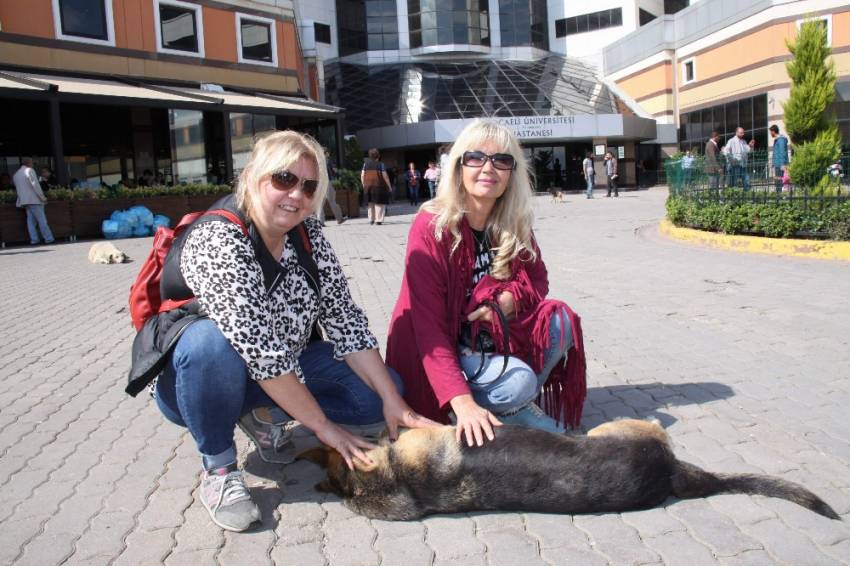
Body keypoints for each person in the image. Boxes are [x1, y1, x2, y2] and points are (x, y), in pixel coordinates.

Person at [140, 131, 436, 532]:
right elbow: (261, 353)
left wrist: (393, 402)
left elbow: (345, 320)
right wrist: (324, 428)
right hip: (196, 382)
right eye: (283, 179)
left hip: (282, 366)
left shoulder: (308, 234)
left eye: (309, 186)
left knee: (376, 395)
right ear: (252, 178)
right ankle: (219, 468)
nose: (296, 194)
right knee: (209, 343)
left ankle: (257, 413)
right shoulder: (219, 238)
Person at [386, 120, 587, 448]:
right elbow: (428, 328)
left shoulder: (511, 222)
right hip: (441, 347)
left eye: (501, 160)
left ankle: (504, 408)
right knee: (519, 383)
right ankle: (486, 408)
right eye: (476, 158)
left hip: (487, 341)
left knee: (562, 322)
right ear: (458, 167)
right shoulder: (431, 227)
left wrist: (508, 302)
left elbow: (538, 278)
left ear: (511, 173)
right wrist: (461, 400)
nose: (488, 168)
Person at [13, 158, 54, 245]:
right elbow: (35, 185)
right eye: (32, 163)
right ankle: (48, 238)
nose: (33, 164)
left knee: (31, 222)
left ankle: (34, 240)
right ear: (29, 163)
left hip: (24, 201)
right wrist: (43, 197)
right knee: (42, 220)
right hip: (35, 200)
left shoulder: (16, 174)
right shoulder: (30, 170)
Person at [361, 148, 393, 225]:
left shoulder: (365, 164)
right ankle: (378, 220)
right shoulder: (381, 164)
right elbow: (385, 176)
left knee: (370, 202)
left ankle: (371, 219)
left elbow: (362, 175)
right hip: (379, 186)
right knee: (379, 203)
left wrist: (363, 184)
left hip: (368, 186)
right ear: (378, 156)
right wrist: (389, 186)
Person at [319, 149, 346, 225]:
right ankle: (339, 218)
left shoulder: (317, 161)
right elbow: (334, 170)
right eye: (328, 153)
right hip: (327, 182)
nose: (329, 154)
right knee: (332, 201)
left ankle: (321, 221)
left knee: (320, 203)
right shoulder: (328, 161)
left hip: (319, 183)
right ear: (326, 153)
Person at [769, 125, 789, 193]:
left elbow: (782, 152)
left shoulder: (781, 139)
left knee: (780, 181)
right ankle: (779, 195)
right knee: (778, 181)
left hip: (780, 165)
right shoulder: (777, 140)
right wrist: (773, 163)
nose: (770, 134)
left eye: (770, 132)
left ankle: (780, 196)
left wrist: (783, 164)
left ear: (773, 131)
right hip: (777, 164)